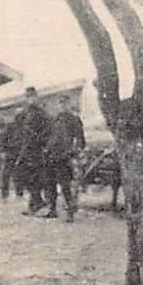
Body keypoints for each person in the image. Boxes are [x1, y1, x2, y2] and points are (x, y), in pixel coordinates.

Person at [42, 93, 87, 221]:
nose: (62, 106)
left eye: (65, 103)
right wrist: (46, 148)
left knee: (65, 185)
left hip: (65, 156)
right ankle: (52, 209)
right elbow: (49, 137)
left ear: (69, 104)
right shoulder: (54, 119)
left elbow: (80, 140)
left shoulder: (74, 120)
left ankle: (70, 212)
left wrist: (74, 152)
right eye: (60, 103)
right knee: (50, 183)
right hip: (51, 155)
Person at [11, 87, 52, 216]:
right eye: (28, 96)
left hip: (37, 149)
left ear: (36, 97)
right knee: (21, 175)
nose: (30, 99)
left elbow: (48, 131)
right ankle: (36, 202)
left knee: (36, 177)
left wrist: (39, 140)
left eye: (32, 96)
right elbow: (18, 131)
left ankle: (35, 204)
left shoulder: (42, 114)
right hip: (25, 149)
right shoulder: (23, 114)